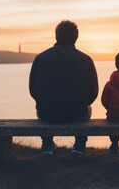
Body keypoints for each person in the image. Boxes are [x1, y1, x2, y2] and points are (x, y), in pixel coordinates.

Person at [29, 20, 98, 155]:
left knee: (40, 107)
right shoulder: (85, 59)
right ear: (76, 37)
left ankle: (47, 144)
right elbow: (93, 93)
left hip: (47, 114)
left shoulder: (40, 58)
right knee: (88, 108)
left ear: (56, 36)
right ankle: (79, 145)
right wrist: (83, 103)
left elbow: (33, 91)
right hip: (77, 114)